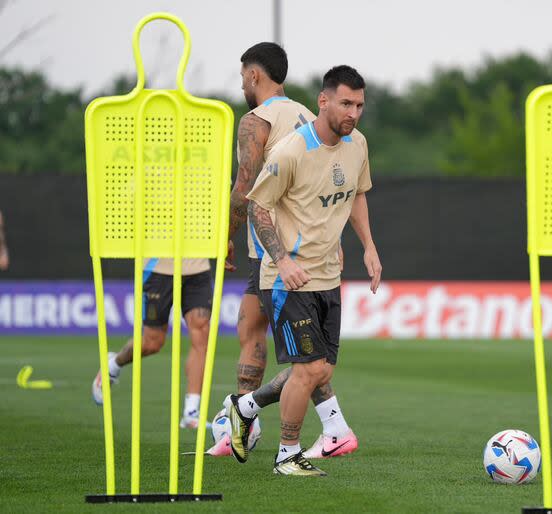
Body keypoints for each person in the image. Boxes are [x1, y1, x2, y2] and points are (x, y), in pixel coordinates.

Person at [226, 65, 382, 476]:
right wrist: (284, 260)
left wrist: (369, 247)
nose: (354, 113)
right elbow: (258, 207)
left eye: (360, 105)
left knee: (321, 370)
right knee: (309, 369)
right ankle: (286, 454)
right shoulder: (291, 150)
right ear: (324, 101)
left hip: (329, 274)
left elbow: (358, 195)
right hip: (288, 278)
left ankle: (245, 406)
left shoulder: (358, 145)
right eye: (346, 103)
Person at [91, 258, 212, 428]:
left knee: (202, 334)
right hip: (158, 267)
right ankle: (113, 364)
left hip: (197, 265)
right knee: (152, 343)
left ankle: (191, 412)